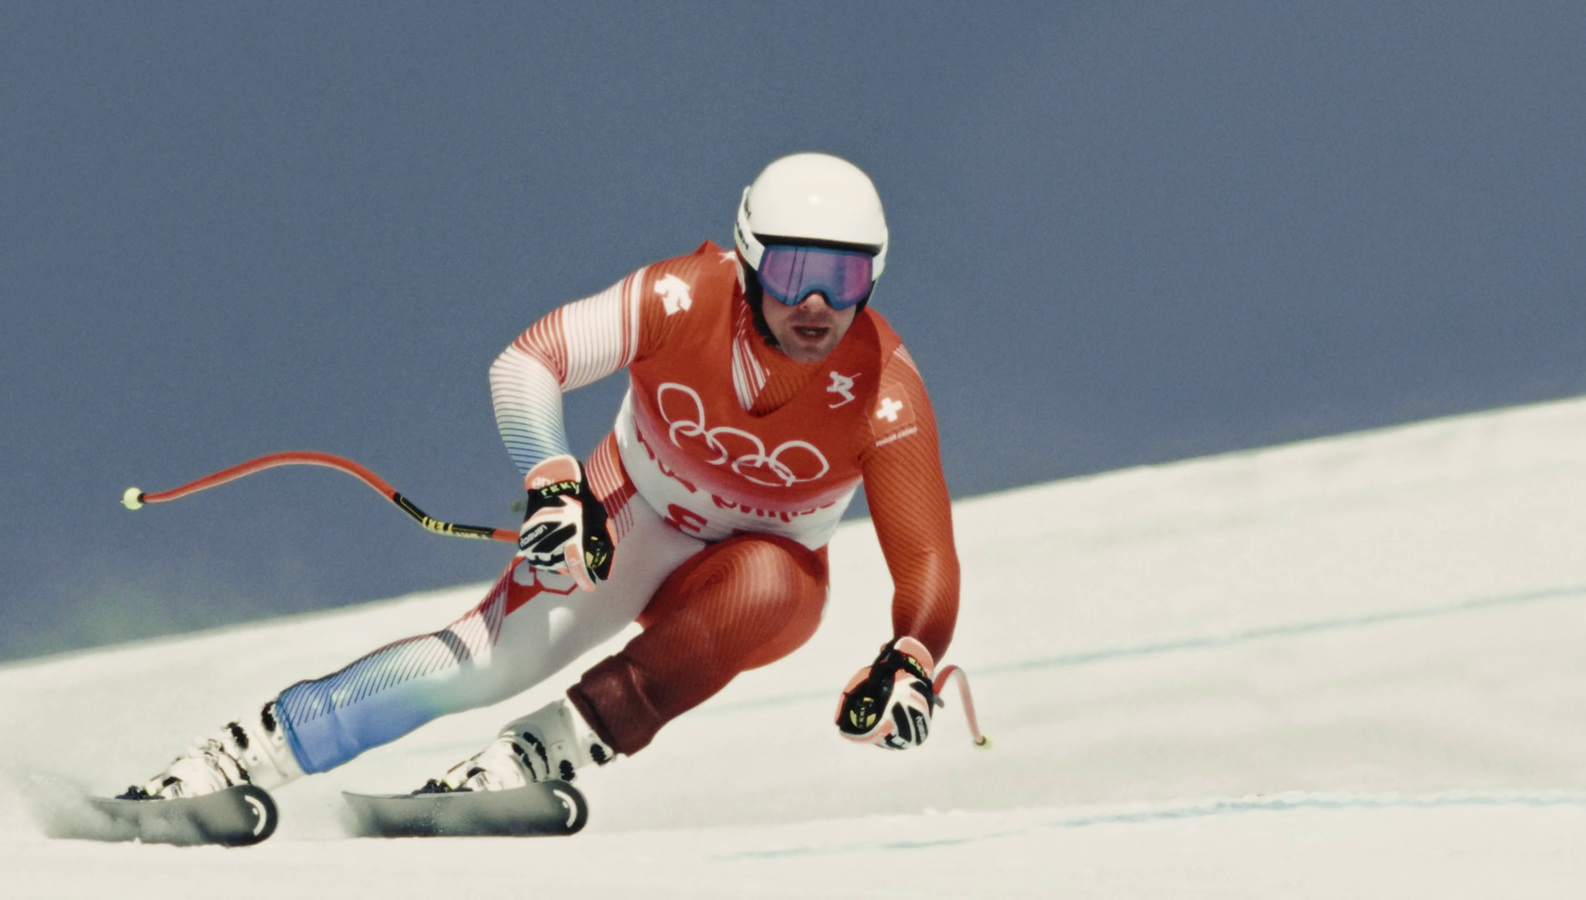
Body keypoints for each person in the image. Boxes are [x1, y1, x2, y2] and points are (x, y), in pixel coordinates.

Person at [122, 152, 961, 802]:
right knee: (485, 663)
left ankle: (540, 755)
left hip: (750, 580)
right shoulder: (680, 298)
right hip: (626, 515)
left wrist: (914, 655)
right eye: (792, 271)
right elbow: (529, 360)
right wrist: (555, 483)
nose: (816, 303)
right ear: (747, 262)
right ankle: (242, 758)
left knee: (774, 585)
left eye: (844, 277)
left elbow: (925, 557)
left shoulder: (885, 389)